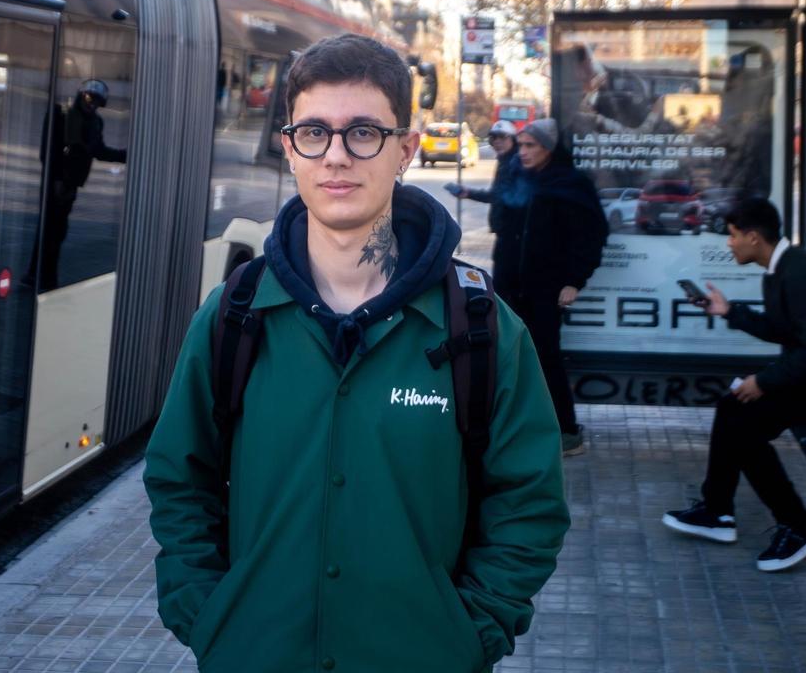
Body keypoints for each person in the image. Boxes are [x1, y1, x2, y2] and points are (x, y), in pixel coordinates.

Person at [144, 33, 569, 672]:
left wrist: (469, 633)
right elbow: (180, 478)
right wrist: (206, 612)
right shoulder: (234, 315)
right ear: (290, 148)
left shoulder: (482, 327)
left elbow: (529, 502)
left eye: (364, 133)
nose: (337, 156)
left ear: (406, 149)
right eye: (314, 132)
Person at [663, 197, 806, 571]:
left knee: (745, 426)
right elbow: (785, 332)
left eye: (733, 235)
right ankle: (717, 512)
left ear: (753, 237)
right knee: (733, 406)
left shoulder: (803, 274)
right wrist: (729, 311)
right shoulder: (780, 269)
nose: (729, 243)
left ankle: (799, 526)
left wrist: (764, 382)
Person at [483, 118, 607, 455]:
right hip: (509, 284)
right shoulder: (518, 177)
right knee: (507, 356)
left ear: (549, 148)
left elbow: (591, 237)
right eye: (520, 145)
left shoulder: (570, 183)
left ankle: (567, 431)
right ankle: (517, 429)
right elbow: (502, 224)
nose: (522, 152)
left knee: (544, 358)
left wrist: (574, 281)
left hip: (545, 288)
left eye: (530, 145)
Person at [29, 79, 126, 290]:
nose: (92, 104)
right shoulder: (61, 115)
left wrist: (125, 155)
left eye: (97, 101)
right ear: (81, 96)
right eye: (89, 98)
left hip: (71, 183)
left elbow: (98, 150)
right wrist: (56, 179)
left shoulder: (95, 122)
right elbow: (49, 151)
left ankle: (38, 274)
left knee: (57, 230)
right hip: (56, 182)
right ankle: (42, 276)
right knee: (51, 230)